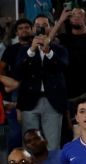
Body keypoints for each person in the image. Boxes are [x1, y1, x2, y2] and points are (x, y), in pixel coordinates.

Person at [11, 15, 69, 151]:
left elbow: (64, 68)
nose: (41, 28)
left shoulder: (60, 49)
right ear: (32, 29)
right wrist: (31, 51)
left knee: (53, 145)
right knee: (29, 145)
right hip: (29, 101)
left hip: (53, 101)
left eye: (45, 25)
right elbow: (17, 73)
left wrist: (48, 52)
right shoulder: (23, 50)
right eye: (37, 25)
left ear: (50, 28)